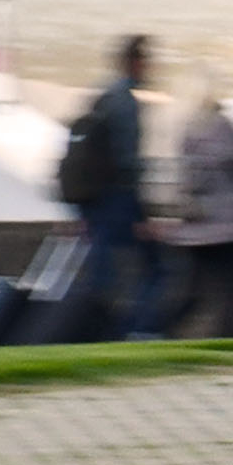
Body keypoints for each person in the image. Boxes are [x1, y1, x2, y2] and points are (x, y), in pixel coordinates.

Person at [61, 34, 167, 339]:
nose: (151, 67)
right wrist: (143, 214)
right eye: (148, 61)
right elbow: (128, 162)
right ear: (137, 62)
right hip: (117, 198)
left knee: (101, 268)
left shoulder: (103, 95)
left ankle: (98, 331)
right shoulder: (126, 104)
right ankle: (132, 329)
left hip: (93, 199)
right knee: (156, 265)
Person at [154, 89, 233, 339]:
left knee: (194, 291)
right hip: (225, 229)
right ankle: (231, 338)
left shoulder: (188, 132)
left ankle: (158, 329)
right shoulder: (223, 127)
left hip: (194, 228)